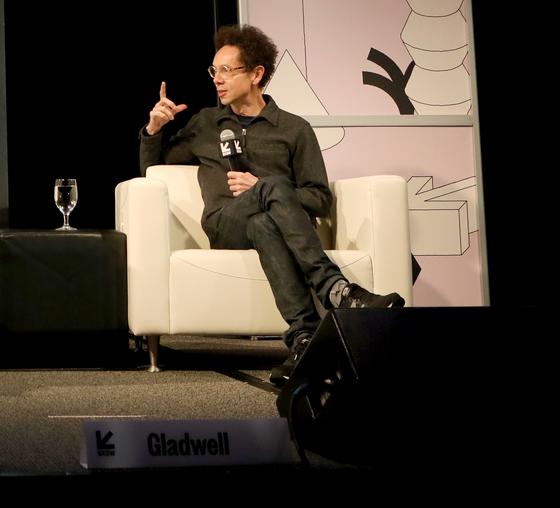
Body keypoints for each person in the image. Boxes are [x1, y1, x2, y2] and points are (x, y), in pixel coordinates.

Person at [141, 23, 403, 385]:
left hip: (271, 228)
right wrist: (154, 130)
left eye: (227, 71)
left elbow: (320, 198)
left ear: (256, 74)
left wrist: (263, 189)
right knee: (273, 187)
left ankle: (304, 339)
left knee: (266, 218)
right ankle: (336, 290)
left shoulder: (294, 129)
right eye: (213, 70)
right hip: (224, 223)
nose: (217, 79)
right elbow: (151, 169)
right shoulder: (206, 123)